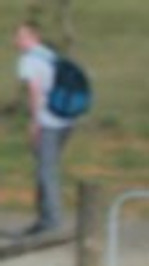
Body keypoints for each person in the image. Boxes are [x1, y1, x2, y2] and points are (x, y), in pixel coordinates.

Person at [14, 22, 75, 236]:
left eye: (20, 36)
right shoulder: (51, 55)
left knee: (46, 170)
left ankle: (51, 220)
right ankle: (46, 217)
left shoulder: (29, 60)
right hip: (67, 120)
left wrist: (34, 122)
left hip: (48, 121)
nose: (16, 40)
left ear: (33, 37)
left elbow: (34, 91)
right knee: (48, 167)